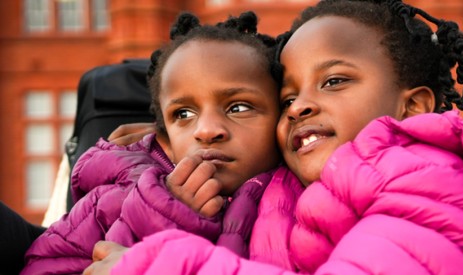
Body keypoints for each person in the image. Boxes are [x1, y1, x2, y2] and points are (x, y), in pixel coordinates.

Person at [85, 0, 463, 274]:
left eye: (334, 81)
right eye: (286, 98)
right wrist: (170, 140)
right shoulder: (300, 186)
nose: (300, 105)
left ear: (414, 105)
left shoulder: (435, 179)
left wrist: (150, 266)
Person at [22, 11, 284, 275]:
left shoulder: (300, 195)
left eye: (238, 108)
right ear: (165, 137)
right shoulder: (118, 197)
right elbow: (44, 267)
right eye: (183, 114)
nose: (206, 131)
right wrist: (161, 214)